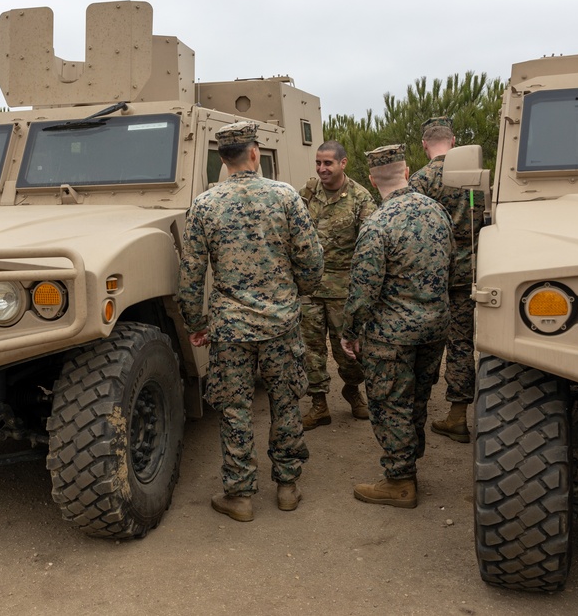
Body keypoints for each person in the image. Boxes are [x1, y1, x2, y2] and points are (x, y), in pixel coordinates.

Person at [177, 121, 324, 522]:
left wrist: (195, 321)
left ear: (222, 159)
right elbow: (311, 261)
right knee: (286, 402)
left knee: (234, 409)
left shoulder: (205, 205)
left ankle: (239, 496)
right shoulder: (285, 196)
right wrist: (298, 294)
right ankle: (288, 487)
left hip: (231, 328)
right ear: (255, 153)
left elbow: (190, 274)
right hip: (281, 322)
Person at [341, 144, 454, 509]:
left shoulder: (378, 223)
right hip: (435, 326)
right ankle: (411, 457)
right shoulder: (438, 212)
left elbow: (363, 289)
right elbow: (450, 267)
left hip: (392, 334)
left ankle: (400, 480)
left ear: (373, 180)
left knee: (391, 403)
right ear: (407, 173)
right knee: (418, 396)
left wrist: (350, 332)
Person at [408, 116, 485, 443]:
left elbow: (410, 231)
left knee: (420, 342)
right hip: (468, 273)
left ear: (425, 144)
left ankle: (412, 411)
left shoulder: (420, 180)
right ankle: (457, 415)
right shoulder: (475, 178)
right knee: (460, 342)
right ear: (453, 142)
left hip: (431, 275)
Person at [298, 141, 377, 429]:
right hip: (309, 288)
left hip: (343, 290)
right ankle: (319, 404)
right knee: (310, 350)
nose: (321, 169)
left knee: (349, 352)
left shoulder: (361, 198)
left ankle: (353, 390)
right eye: (318, 163)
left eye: (328, 163)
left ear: (342, 163)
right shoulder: (307, 193)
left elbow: (370, 247)